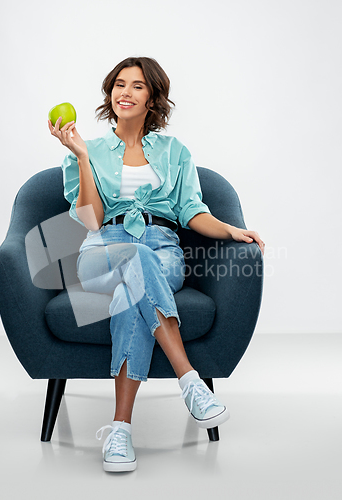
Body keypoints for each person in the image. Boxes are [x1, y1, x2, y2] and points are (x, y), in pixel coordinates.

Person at [48, 56, 264, 473]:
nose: (125, 93)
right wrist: (80, 156)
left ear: (153, 98)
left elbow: (191, 210)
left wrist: (230, 229)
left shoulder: (174, 151)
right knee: (133, 260)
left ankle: (120, 430)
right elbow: (90, 218)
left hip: (162, 250)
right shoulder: (86, 150)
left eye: (137, 86)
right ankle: (190, 382)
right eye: (119, 85)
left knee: (134, 285)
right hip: (102, 251)